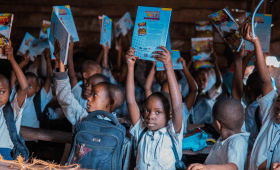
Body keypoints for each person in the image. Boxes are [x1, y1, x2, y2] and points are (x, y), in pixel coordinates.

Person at [126, 46, 184, 169]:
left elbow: (178, 105)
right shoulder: (141, 131)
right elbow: (131, 101)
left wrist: (168, 67)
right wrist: (130, 67)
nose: (150, 116)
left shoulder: (173, 133)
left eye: (158, 112)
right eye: (147, 110)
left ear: (170, 114)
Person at [238, 23, 280, 170]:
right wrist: (255, 42)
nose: (278, 113)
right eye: (278, 107)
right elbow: (265, 80)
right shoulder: (271, 116)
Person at [188, 97, 250, 170]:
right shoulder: (224, 138)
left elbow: (233, 167)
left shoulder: (237, 142)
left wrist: (207, 168)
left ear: (218, 124)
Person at [145, 57, 197, 133]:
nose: (169, 98)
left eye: (172, 95)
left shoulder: (183, 108)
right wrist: (153, 67)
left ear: (180, 96)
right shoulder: (157, 108)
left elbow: (194, 90)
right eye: (164, 95)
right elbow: (147, 88)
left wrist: (184, 68)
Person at [9, 48, 53, 128]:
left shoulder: (39, 99)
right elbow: (13, 74)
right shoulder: (15, 94)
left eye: (30, 86)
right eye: (23, 84)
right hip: (13, 138)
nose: (25, 87)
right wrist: (24, 62)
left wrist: (47, 59)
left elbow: (49, 77)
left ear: (37, 89)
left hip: (31, 138)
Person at [0, 40, 28, 160]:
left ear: (9, 92)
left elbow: (24, 88)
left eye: (2, 92)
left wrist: (11, 58)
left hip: (5, 155)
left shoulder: (11, 110)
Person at [191, 52, 222, 125]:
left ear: (208, 81)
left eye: (204, 80)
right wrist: (191, 60)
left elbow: (219, 82)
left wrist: (215, 64)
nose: (202, 83)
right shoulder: (191, 93)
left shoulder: (209, 94)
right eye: (198, 80)